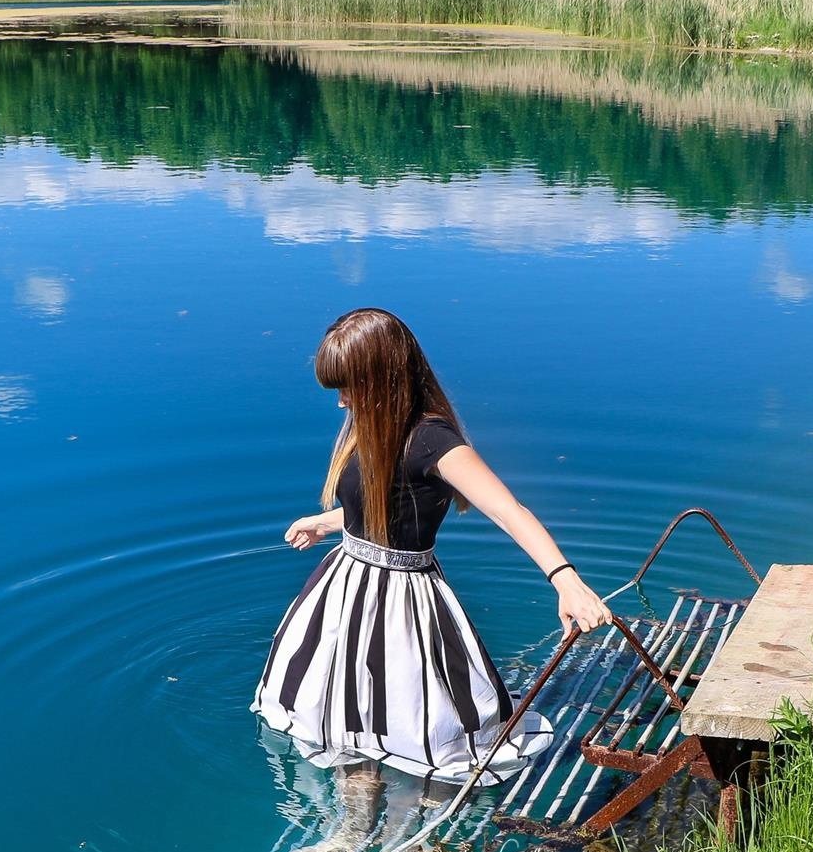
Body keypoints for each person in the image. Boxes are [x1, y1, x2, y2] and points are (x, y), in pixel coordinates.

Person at [252, 308, 613, 808]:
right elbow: (382, 504)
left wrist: (565, 579)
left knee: (408, 715)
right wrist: (328, 522)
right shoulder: (370, 425)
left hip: (401, 601)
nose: (340, 403)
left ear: (382, 378)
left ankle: (423, 824)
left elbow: (508, 510)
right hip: (345, 588)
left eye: (349, 387)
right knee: (343, 714)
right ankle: (353, 826)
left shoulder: (434, 440)